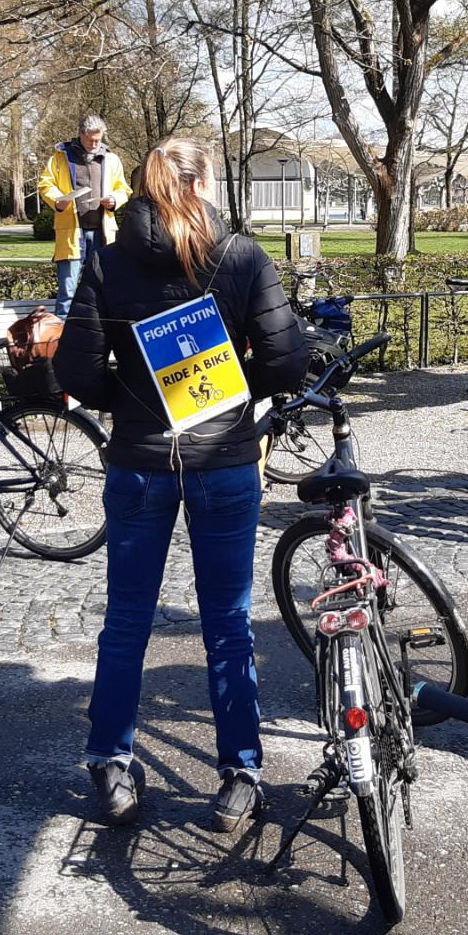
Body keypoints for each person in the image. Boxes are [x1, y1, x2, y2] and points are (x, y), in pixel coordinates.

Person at [52, 138, 307, 832]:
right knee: (228, 626)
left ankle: (109, 765)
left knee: (126, 621)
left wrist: (134, 397)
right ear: (207, 183)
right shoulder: (243, 255)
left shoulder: (105, 259)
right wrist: (229, 390)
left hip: (139, 459)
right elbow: (288, 362)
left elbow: (73, 372)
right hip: (224, 460)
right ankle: (240, 776)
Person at [39, 115, 130, 317]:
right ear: (81, 135)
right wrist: (58, 200)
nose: (95, 144)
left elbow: (123, 189)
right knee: (68, 292)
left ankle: (99, 331)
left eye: (98, 140)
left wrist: (114, 200)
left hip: (103, 234)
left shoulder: (111, 159)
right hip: (72, 234)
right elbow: (46, 184)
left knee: (103, 288)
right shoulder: (60, 157)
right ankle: (61, 337)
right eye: (91, 140)